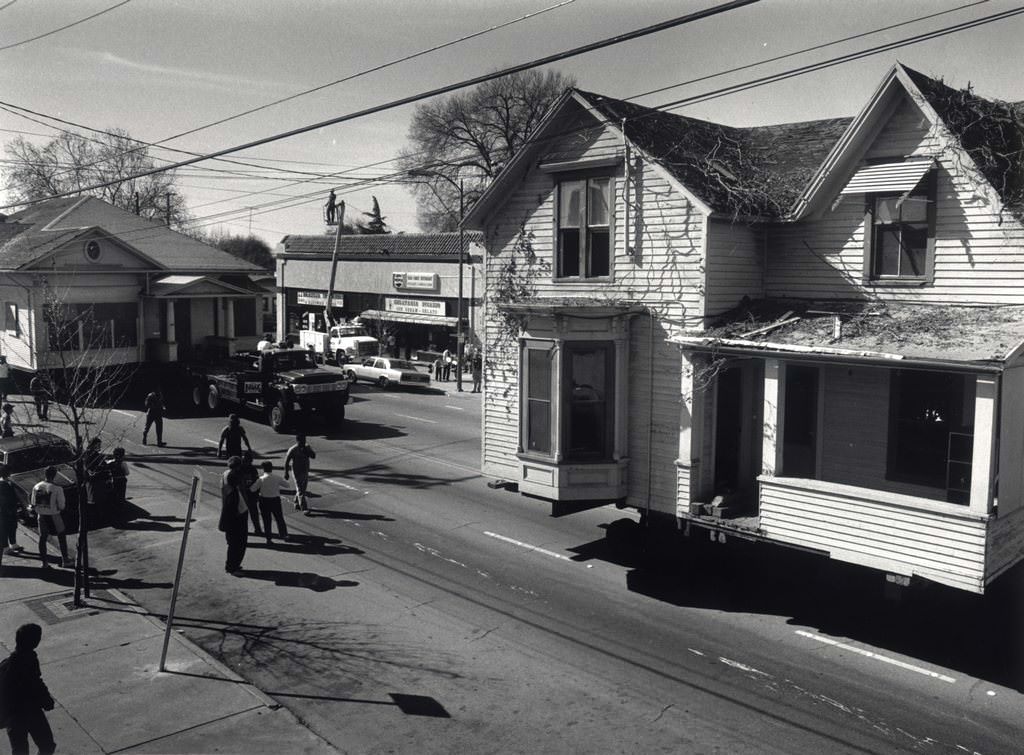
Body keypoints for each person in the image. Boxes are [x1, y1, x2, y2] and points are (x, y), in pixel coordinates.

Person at [1, 623, 57, 755]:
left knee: (20, 750)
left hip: (13, 716)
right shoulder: (28, 660)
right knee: (47, 745)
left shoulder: (7, 663)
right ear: (33, 641)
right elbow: (35, 683)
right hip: (30, 711)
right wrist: (47, 700)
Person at [30, 466, 70, 569]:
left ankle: (44, 563)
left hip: (41, 515)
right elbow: (62, 506)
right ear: (55, 475)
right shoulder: (57, 488)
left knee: (42, 538)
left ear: (45, 474)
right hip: (54, 515)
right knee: (61, 536)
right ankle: (65, 560)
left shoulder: (37, 486)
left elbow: (33, 503)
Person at [218, 456, 248, 574]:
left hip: (234, 517)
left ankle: (232, 565)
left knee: (234, 544)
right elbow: (234, 510)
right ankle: (232, 567)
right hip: (237, 519)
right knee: (237, 545)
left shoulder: (225, 475)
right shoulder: (233, 495)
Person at [250, 460, 289, 544]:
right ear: (272, 468)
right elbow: (287, 485)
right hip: (275, 500)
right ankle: (283, 534)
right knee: (279, 517)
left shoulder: (261, 479)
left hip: (264, 501)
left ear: (263, 469)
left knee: (266, 520)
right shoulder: (277, 477)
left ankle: (269, 538)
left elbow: (252, 489)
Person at [284, 434, 316, 515]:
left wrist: (307, 451)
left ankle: (296, 502)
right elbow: (287, 461)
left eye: (304, 440)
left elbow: (313, 456)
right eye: (302, 440)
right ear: (297, 440)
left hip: (305, 471)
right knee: (300, 489)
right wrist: (286, 472)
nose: (304, 442)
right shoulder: (293, 449)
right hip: (297, 472)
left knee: (303, 489)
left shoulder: (307, 447)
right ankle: (304, 508)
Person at [0, 464, 23, 564]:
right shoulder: (3, 484)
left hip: (10, 509)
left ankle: (13, 544)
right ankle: (5, 547)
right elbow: (5, 499)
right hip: (5, 511)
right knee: (5, 528)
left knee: (12, 526)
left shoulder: (8, 483)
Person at [239, 450, 263, 537]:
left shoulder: (251, 469)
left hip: (250, 495)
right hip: (244, 495)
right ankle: (247, 530)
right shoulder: (241, 468)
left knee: (253, 513)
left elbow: (256, 481)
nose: (249, 462)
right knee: (245, 514)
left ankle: (257, 529)